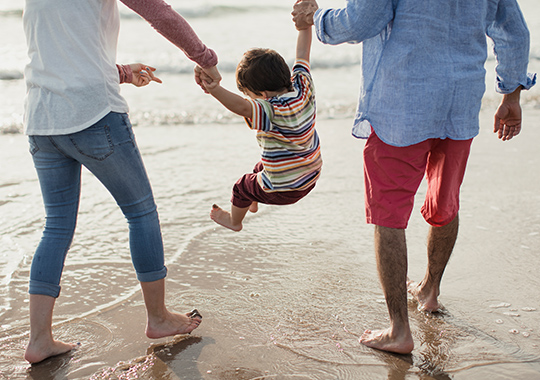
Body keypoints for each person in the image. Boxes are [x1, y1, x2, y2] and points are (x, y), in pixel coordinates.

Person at [292, 0, 535, 354]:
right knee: (445, 202)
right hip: (461, 101)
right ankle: (430, 290)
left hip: (402, 102)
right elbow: (514, 30)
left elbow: (361, 21)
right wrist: (511, 93)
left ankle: (399, 330)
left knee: (388, 214)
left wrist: (315, 19)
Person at [22, 0, 221, 364]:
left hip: (42, 120)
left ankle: (39, 340)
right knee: (141, 212)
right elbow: (158, 13)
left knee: (56, 226)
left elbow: (62, 51)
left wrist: (123, 73)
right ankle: (159, 318)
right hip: (93, 115)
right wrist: (205, 58)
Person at [194, 20, 322, 232]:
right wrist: (304, 27)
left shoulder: (270, 109)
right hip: (311, 174)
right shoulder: (303, 85)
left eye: (250, 96)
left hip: (285, 188)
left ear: (262, 96)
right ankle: (253, 200)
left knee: (241, 186)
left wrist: (215, 89)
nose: (251, 101)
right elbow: (302, 52)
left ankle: (234, 221)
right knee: (259, 167)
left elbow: (242, 107)